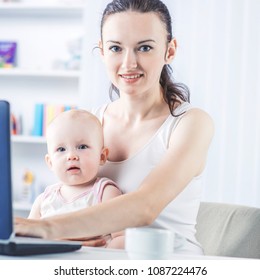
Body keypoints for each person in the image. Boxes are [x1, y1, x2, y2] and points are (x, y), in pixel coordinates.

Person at [15, 0, 214, 255]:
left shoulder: (190, 123)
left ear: (170, 50)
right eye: (116, 48)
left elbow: (145, 206)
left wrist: (44, 228)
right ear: (102, 52)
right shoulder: (90, 123)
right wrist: (68, 236)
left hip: (168, 265)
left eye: (144, 47)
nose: (129, 63)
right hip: (99, 263)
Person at [27, 109, 123, 249]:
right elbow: (28, 238)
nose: (71, 156)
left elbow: (121, 238)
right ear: (50, 162)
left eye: (82, 147)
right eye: (61, 149)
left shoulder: (105, 193)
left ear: (102, 156)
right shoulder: (44, 199)